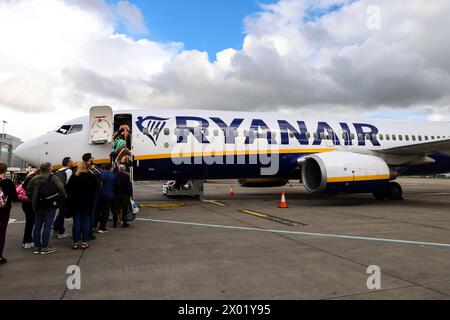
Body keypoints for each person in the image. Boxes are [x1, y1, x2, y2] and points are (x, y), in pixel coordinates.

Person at [27, 163, 67, 255]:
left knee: (37, 225)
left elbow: (28, 191)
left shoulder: (35, 178)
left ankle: (37, 246)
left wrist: (34, 198)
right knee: (48, 225)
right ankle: (45, 246)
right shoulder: (53, 177)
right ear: (49, 169)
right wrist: (63, 197)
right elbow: (61, 188)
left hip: (37, 204)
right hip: (50, 204)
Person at [66, 162, 99, 250]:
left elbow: (68, 189)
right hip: (87, 202)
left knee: (76, 223)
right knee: (85, 222)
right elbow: (96, 189)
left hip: (76, 203)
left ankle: (75, 243)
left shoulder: (74, 177)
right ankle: (84, 242)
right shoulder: (91, 177)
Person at [0, 162, 18, 265]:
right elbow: (15, 198)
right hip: (4, 211)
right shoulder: (8, 183)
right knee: (2, 233)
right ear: (5, 171)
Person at [82, 153, 103, 239]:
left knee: (82, 215)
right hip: (92, 195)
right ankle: (89, 233)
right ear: (89, 159)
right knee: (91, 214)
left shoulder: (78, 168)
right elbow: (100, 179)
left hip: (82, 195)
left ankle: (81, 233)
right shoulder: (93, 169)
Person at [52, 157, 74, 239]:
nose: (73, 162)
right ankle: (61, 231)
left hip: (58, 194)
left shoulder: (58, 171)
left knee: (61, 212)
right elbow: (69, 183)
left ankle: (55, 227)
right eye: (71, 161)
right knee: (62, 213)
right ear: (68, 163)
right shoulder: (69, 171)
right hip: (65, 195)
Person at [21, 169, 40, 249]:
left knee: (30, 223)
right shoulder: (33, 180)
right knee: (30, 223)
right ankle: (26, 241)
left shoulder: (29, 178)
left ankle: (28, 239)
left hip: (25, 203)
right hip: (29, 204)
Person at [95, 163, 115, 233]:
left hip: (100, 195)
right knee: (105, 212)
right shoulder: (112, 175)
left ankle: (94, 225)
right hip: (108, 195)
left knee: (97, 211)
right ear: (110, 168)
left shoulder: (100, 173)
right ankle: (102, 227)